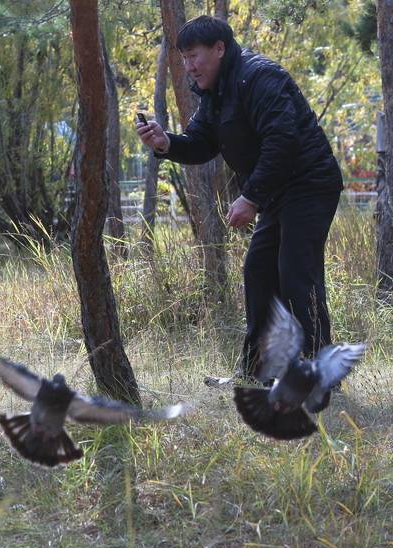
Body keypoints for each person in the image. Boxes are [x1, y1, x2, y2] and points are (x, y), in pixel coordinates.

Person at [136, 15, 344, 384]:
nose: (189, 66)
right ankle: (255, 373)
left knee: (296, 274)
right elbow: (202, 142)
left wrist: (250, 197)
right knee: (259, 272)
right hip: (277, 190)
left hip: (309, 183)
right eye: (184, 58)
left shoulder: (259, 76)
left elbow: (282, 140)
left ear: (219, 49)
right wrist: (166, 143)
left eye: (194, 56)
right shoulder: (216, 92)